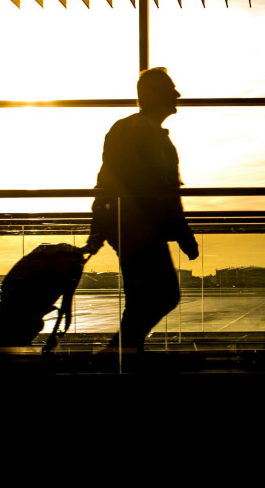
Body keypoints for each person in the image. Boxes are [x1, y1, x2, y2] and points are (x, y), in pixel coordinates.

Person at [84, 68, 200, 353]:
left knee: (143, 297)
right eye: (171, 88)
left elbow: (107, 182)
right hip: (140, 228)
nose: (177, 94)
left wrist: (99, 229)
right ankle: (120, 352)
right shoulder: (147, 134)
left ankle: (124, 353)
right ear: (156, 95)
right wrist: (183, 234)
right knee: (164, 294)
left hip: (128, 226)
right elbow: (164, 192)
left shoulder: (129, 129)